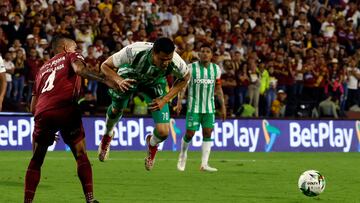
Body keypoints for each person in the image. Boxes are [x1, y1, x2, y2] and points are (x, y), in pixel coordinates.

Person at [24, 36, 130, 203]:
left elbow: (32, 108)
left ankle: (27, 201)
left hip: (43, 114)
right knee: (81, 155)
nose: (76, 49)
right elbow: (79, 70)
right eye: (74, 46)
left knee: (37, 160)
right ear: (66, 47)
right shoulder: (71, 56)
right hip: (66, 108)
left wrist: (49, 124)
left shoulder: (41, 70)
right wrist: (105, 80)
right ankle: (90, 199)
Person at [98, 37, 190, 172]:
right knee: (115, 111)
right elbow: (104, 66)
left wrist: (164, 99)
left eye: (168, 59)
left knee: (164, 132)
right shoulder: (134, 51)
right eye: (162, 59)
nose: (166, 63)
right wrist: (118, 80)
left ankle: (152, 144)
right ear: (154, 52)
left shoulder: (176, 62)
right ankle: (107, 135)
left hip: (154, 83)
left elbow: (185, 78)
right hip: (129, 77)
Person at [175, 44, 226, 172]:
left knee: (208, 132)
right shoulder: (191, 68)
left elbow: (218, 89)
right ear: (199, 54)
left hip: (209, 108)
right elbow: (183, 86)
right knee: (190, 133)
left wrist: (223, 106)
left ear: (211, 55)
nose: (204, 53)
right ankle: (182, 155)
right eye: (202, 51)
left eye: (207, 51)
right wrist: (179, 101)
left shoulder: (216, 69)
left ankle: (204, 164)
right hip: (194, 107)